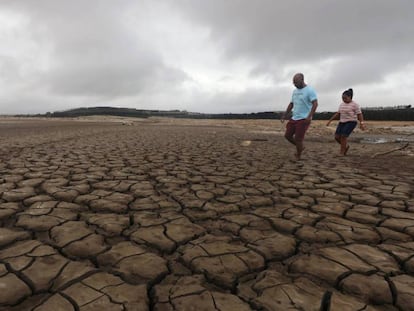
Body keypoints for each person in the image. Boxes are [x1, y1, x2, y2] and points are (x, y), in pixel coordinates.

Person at [281, 73, 318, 160]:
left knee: (298, 138)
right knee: (287, 136)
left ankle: (298, 154)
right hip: (294, 117)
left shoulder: (310, 90)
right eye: (293, 83)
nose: (295, 84)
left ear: (302, 80)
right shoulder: (295, 91)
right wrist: (285, 114)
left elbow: (315, 104)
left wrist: (309, 117)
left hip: (304, 118)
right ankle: (300, 147)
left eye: (296, 82)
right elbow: (291, 103)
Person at [326, 88, 365, 155]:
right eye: (342, 98)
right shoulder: (342, 104)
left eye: (345, 98)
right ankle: (345, 147)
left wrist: (361, 123)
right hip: (342, 122)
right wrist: (330, 121)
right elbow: (338, 114)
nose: (343, 99)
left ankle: (342, 152)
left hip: (351, 122)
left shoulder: (355, 104)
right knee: (337, 137)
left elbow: (359, 114)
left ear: (350, 97)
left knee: (343, 136)